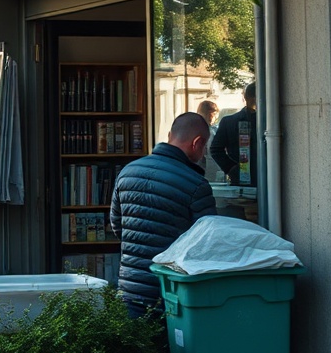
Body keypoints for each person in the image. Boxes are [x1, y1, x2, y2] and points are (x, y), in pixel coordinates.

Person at [110, 112, 217, 319]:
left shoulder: (127, 172)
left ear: (170, 135)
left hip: (129, 290)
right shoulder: (196, 185)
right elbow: (206, 244)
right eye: (204, 148)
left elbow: (117, 226)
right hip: (170, 294)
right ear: (197, 143)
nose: (203, 154)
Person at [210, 82, 257, 186]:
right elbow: (215, 149)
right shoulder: (230, 122)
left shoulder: (270, 122)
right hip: (243, 182)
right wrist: (232, 168)